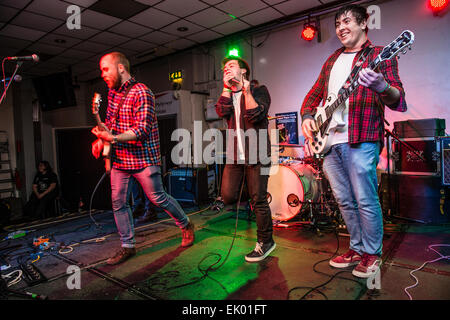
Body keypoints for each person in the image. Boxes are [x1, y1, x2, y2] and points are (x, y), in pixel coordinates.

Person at [300, 4, 407, 278]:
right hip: (330, 143)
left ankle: (373, 253)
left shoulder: (380, 55)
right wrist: (307, 116)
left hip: (362, 137)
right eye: (337, 24)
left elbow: (398, 100)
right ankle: (357, 248)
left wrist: (382, 87)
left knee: (365, 199)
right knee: (344, 200)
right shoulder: (332, 59)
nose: (341, 28)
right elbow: (312, 96)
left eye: (347, 21)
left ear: (363, 24)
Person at [92, 52, 195, 265]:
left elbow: (142, 129)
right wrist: (101, 141)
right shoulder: (111, 95)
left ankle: (185, 224)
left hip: (143, 158)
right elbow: (110, 124)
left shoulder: (142, 91)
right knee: (118, 202)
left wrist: (113, 137)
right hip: (121, 159)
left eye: (106, 69)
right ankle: (127, 246)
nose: (102, 74)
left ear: (121, 68)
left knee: (158, 198)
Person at [215, 57, 275, 262]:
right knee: (228, 195)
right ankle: (251, 195)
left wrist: (246, 91)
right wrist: (226, 88)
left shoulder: (260, 90)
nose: (226, 69)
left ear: (243, 71)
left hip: (257, 154)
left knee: (259, 200)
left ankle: (266, 242)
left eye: (231, 66)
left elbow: (256, 115)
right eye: (224, 68)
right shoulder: (229, 95)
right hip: (235, 157)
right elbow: (220, 111)